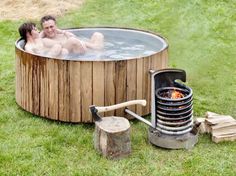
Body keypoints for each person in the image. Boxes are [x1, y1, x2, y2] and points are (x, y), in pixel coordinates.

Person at [40, 15, 104, 54]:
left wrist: (63, 32)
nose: (49, 30)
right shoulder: (45, 40)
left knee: (98, 35)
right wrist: (93, 46)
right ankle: (97, 51)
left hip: (86, 50)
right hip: (80, 57)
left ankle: (98, 56)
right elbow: (72, 41)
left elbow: (76, 38)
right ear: (43, 29)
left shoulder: (63, 34)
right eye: (46, 28)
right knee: (72, 40)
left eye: (51, 26)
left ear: (56, 26)